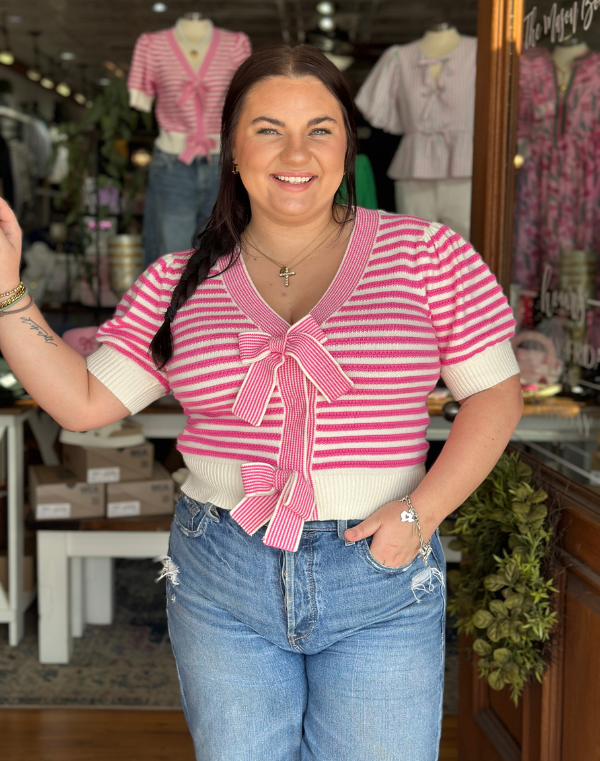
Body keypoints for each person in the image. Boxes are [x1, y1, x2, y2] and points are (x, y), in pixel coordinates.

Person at [0, 45, 523, 761]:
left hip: (380, 561)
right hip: (222, 570)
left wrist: (418, 515)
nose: (297, 150)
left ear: (347, 145)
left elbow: (495, 393)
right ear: (232, 148)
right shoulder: (179, 281)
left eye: (322, 128)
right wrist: (7, 294)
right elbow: (84, 400)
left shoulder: (428, 255)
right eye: (269, 127)